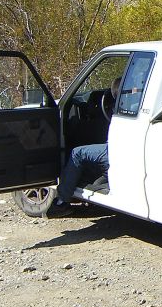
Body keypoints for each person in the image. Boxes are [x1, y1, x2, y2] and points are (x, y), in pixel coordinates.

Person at [47, 76, 121, 217]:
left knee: (77, 153)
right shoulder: (136, 100)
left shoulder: (121, 106)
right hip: (129, 149)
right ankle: (99, 181)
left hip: (115, 151)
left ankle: (61, 202)